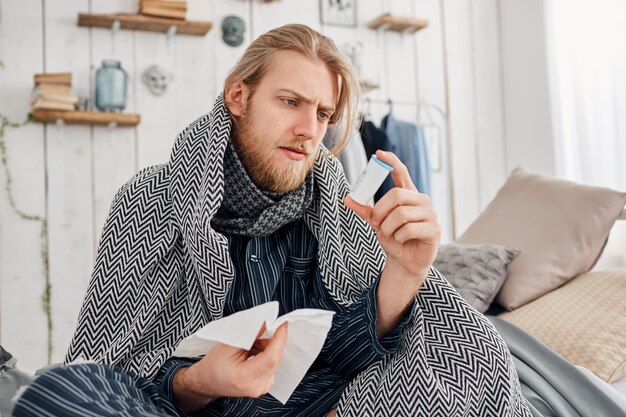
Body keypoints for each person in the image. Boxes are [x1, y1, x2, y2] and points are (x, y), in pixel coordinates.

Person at [13, 24, 531, 417]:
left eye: (324, 114)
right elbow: (111, 371)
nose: (310, 131)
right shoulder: (149, 199)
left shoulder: (339, 206)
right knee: (59, 391)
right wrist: (200, 381)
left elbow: (348, 353)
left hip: (325, 405)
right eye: (290, 102)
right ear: (238, 97)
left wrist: (406, 272)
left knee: (476, 349)